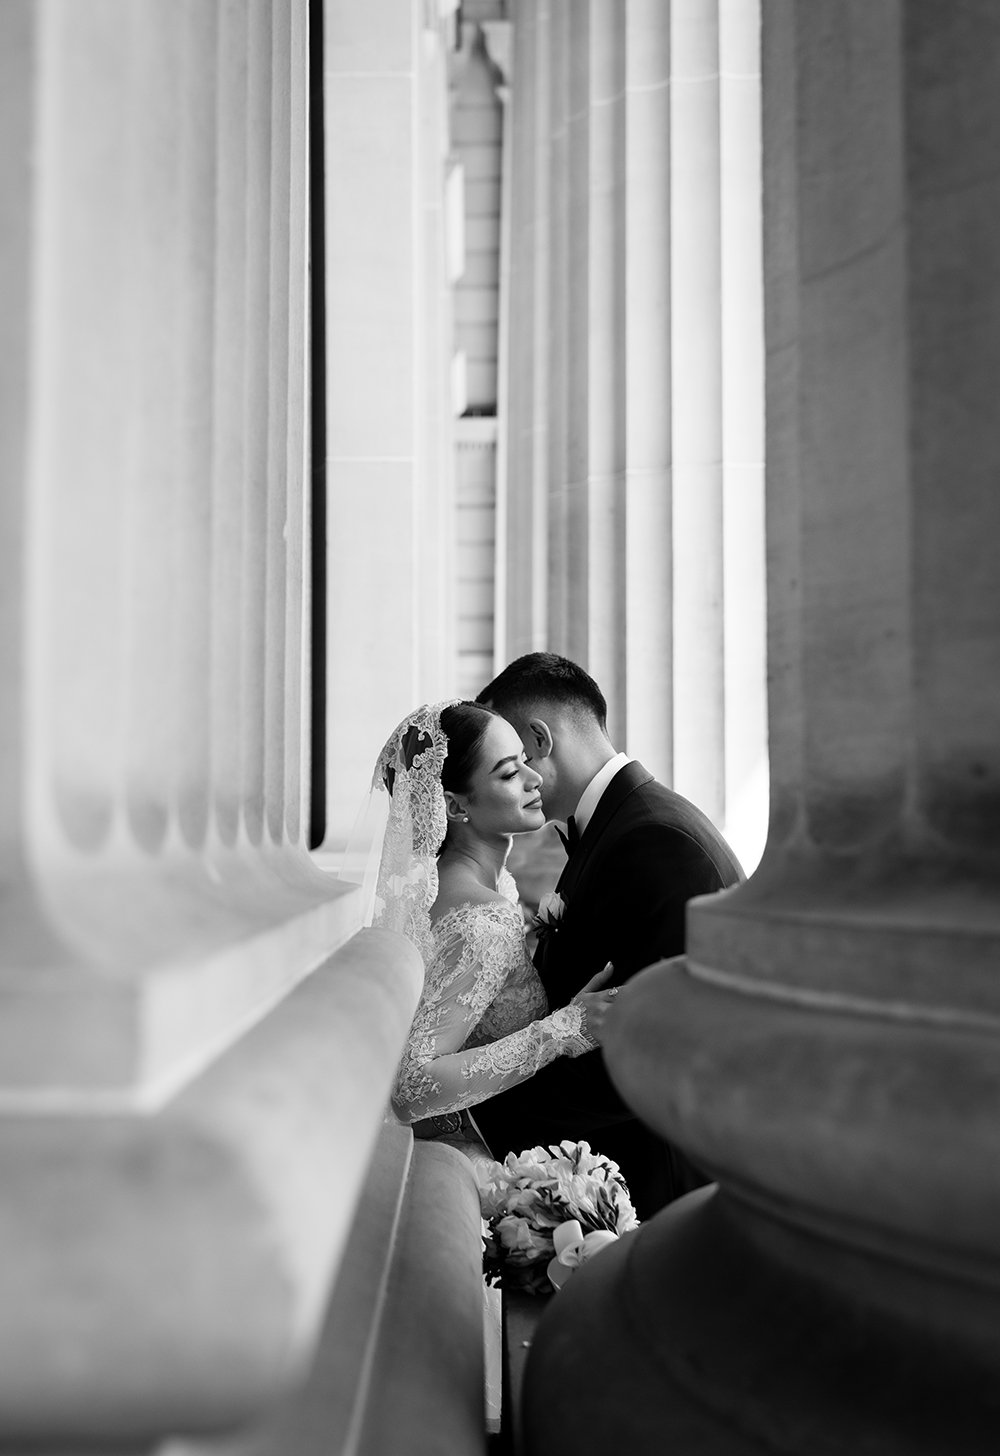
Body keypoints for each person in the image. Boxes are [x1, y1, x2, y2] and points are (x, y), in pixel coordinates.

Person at [470, 653, 745, 1217]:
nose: (517, 778)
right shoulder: (614, 826)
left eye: (514, 757)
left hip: (655, 1180)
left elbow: (645, 1051)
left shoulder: (654, 840)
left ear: (540, 740)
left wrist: (478, 1116)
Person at [366, 699, 619, 1141]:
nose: (534, 777)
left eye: (525, 760)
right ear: (455, 807)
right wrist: (560, 1031)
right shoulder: (483, 920)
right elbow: (412, 1088)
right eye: (508, 773)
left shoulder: (462, 888)